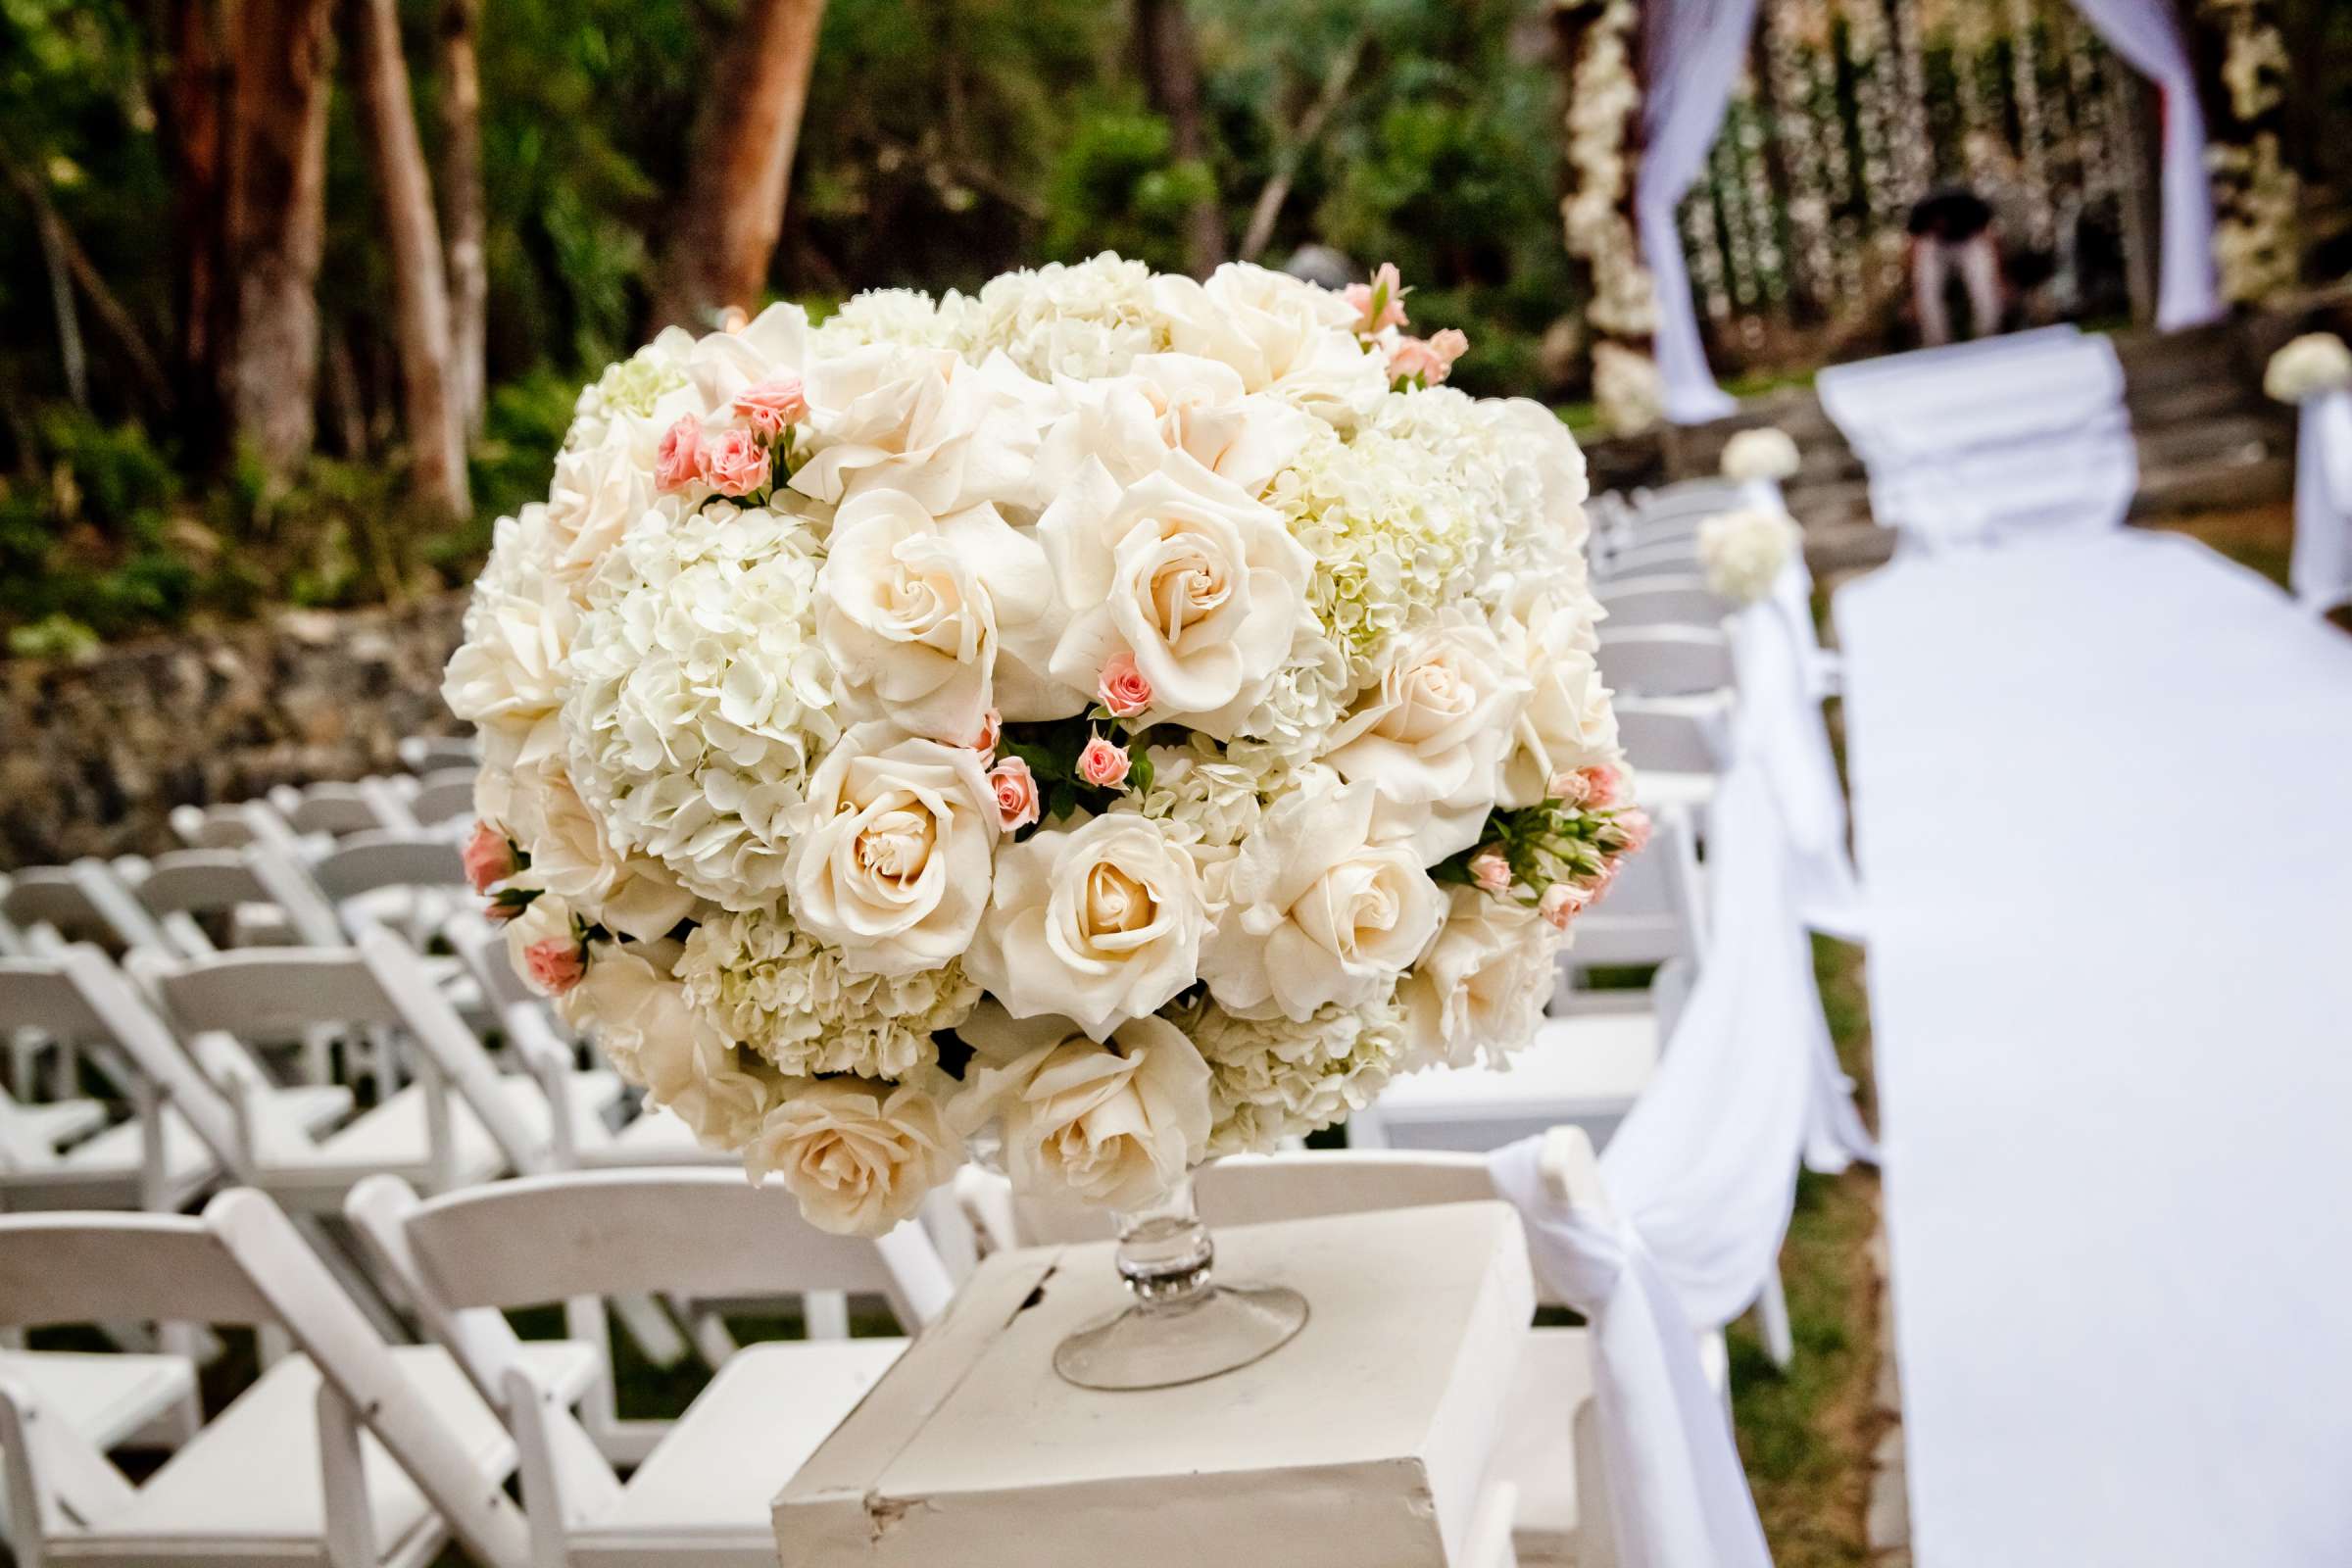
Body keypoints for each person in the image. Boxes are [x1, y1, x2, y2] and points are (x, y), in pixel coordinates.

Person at [1905, 185, 2002, 347]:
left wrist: (1999, 277)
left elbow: (1989, 238)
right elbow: (1913, 247)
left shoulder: (1969, 206)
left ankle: (1989, 335)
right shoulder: (1922, 212)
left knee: (1984, 284)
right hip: (1935, 247)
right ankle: (1937, 342)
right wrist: (1913, 293)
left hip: (1969, 242)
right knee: (1926, 289)